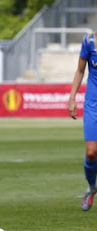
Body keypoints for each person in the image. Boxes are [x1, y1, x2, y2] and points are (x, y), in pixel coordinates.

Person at [69, 30, 97, 211]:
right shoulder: (89, 41)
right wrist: (72, 98)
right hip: (93, 103)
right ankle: (91, 188)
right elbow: (80, 70)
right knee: (91, 152)